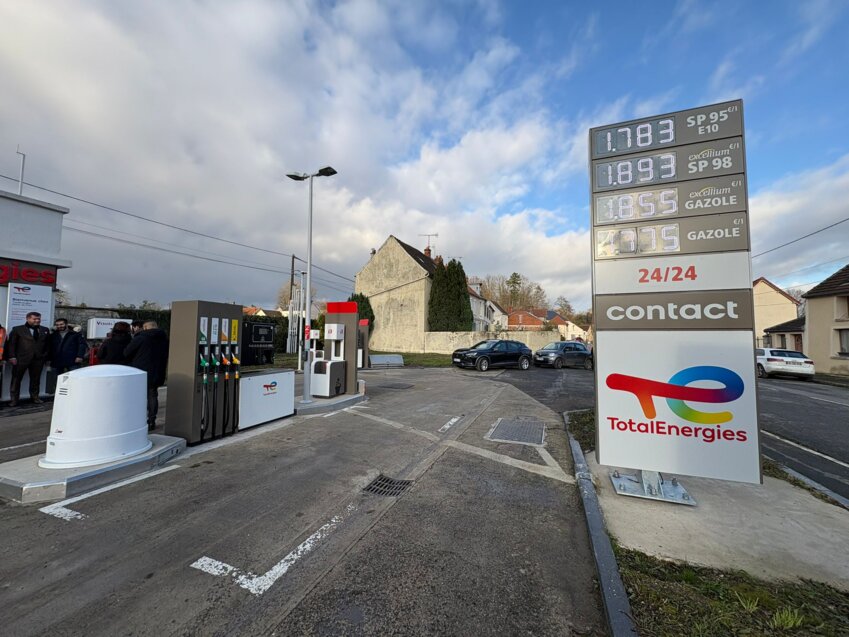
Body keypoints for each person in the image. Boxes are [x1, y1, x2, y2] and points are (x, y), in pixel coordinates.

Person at [123, 320, 169, 431]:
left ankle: (138, 421)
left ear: (145, 327)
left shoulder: (140, 338)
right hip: (158, 371)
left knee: (138, 397)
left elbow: (126, 353)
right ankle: (152, 421)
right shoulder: (164, 339)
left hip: (141, 371)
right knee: (153, 395)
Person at [6, 312, 51, 407]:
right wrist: (12, 357)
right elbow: (11, 344)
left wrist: (45, 356)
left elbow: (48, 345)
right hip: (21, 359)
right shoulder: (17, 329)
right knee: (16, 379)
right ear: (27, 319)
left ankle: (35, 397)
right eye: (35, 319)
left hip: (38, 359)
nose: (37, 320)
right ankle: (14, 400)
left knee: (36, 379)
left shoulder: (45, 330)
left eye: (39, 319)